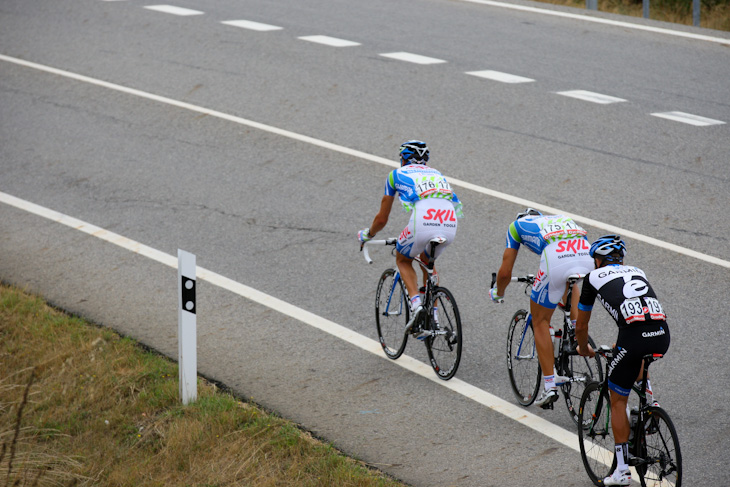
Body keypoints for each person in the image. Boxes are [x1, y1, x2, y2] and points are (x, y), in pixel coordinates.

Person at [575, 235, 670, 486]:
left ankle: (622, 472)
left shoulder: (592, 278)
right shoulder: (638, 271)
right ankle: (651, 403)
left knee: (618, 399)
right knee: (637, 360)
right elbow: (638, 313)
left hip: (634, 338)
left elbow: (581, 324)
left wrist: (583, 347)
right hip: (661, 334)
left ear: (597, 260)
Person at [358, 140, 463, 336]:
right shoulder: (437, 173)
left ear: (404, 159)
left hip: (423, 222)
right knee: (427, 262)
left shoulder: (395, 175)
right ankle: (435, 318)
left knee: (403, 259)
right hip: (450, 222)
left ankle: (416, 305)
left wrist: (368, 234)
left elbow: (381, 219)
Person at [490, 209, 593, 408]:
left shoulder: (516, 227)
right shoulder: (560, 219)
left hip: (556, 258)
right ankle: (574, 329)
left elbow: (504, 273)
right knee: (571, 282)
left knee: (540, 321)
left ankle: (549, 385)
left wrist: (498, 292)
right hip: (585, 255)